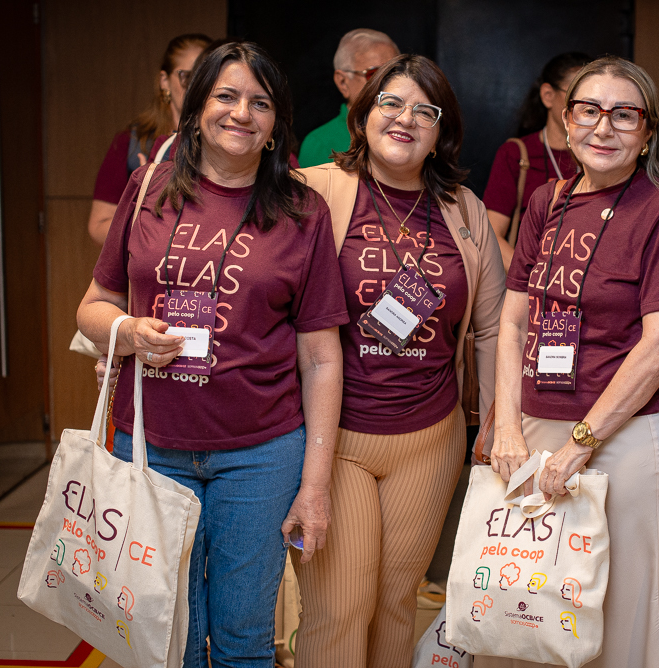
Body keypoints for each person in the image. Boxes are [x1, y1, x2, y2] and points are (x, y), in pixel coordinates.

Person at [76, 41, 348, 668]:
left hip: (260, 456)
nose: (241, 113)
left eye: (261, 102)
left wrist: (315, 485)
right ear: (196, 106)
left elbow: (322, 358)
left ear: (278, 122)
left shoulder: (303, 211)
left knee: (243, 641)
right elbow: (94, 304)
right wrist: (127, 331)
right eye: (225, 96)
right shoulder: (149, 188)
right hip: (148, 445)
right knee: (167, 637)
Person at [293, 54, 505, 667]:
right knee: (339, 609)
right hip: (336, 441)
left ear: (442, 130)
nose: (405, 119)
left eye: (424, 110)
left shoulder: (462, 208)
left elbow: (490, 330)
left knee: (395, 603)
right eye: (390, 103)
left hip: (430, 438)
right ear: (363, 115)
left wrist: (492, 426)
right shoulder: (315, 190)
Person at [488, 55, 659, 667]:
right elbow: (513, 318)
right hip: (536, 428)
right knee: (531, 603)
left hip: (629, 436)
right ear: (566, 116)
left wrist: (582, 441)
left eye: (624, 115)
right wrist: (506, 425)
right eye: (590, 110)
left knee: (619, 613)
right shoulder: (545, 201)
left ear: (648, 131)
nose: (603, 128)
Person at [88, 33, 212, 245]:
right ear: (165, 82)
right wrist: (146, 210)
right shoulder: (134, 142)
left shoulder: (231, 143)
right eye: (188, 77)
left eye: (207, 78)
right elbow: (98, 226)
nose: (196, 87)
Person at [483, 52, 591, 269]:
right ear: (548, 95)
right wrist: (534, 278)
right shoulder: (516, 153)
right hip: (532, 282)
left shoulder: (598, 153)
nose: (585, 108)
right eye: (576, 97)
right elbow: (491, 234)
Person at [298, 28, 400, 168]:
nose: (388, 84)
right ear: (343, 82)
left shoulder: (408, 130)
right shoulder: (319, 143)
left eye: (394, 73)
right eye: (374, 74)